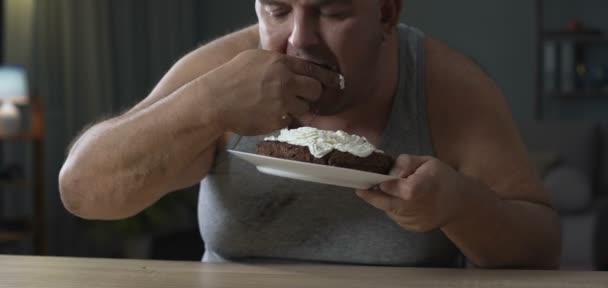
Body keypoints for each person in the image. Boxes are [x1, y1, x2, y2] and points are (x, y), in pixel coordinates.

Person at [59, 0, 560, 268]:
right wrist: (207, 105)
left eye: (332, 11)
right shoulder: (222, 71)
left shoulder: (446, 86)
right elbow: (82, 191)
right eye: (277, 10)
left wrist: (461, 207)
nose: (300, 40)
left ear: (386, 13)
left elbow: (541, 248)